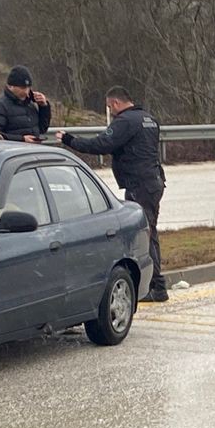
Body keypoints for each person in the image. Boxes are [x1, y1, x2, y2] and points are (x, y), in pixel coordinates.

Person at [63, 87, 169, 302]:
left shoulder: (125, 121)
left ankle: (155, 286)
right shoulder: (149, 119)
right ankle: (155, 284)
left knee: (143, 233)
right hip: (153, 181)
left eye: (110, 107)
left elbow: (103, 144)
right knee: (150, 231)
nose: (111, 111)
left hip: (139, 184)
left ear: (116, 103)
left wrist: (70, 140)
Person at [0, 65, 52, 143]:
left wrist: (43, 107)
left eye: (28, 87)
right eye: (22, 88)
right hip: (12, 152)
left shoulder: (30, 104)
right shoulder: (0, 106)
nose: (26, 91)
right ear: (10, 86)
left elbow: (42, 128)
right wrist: (22, 139)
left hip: (32, 150)